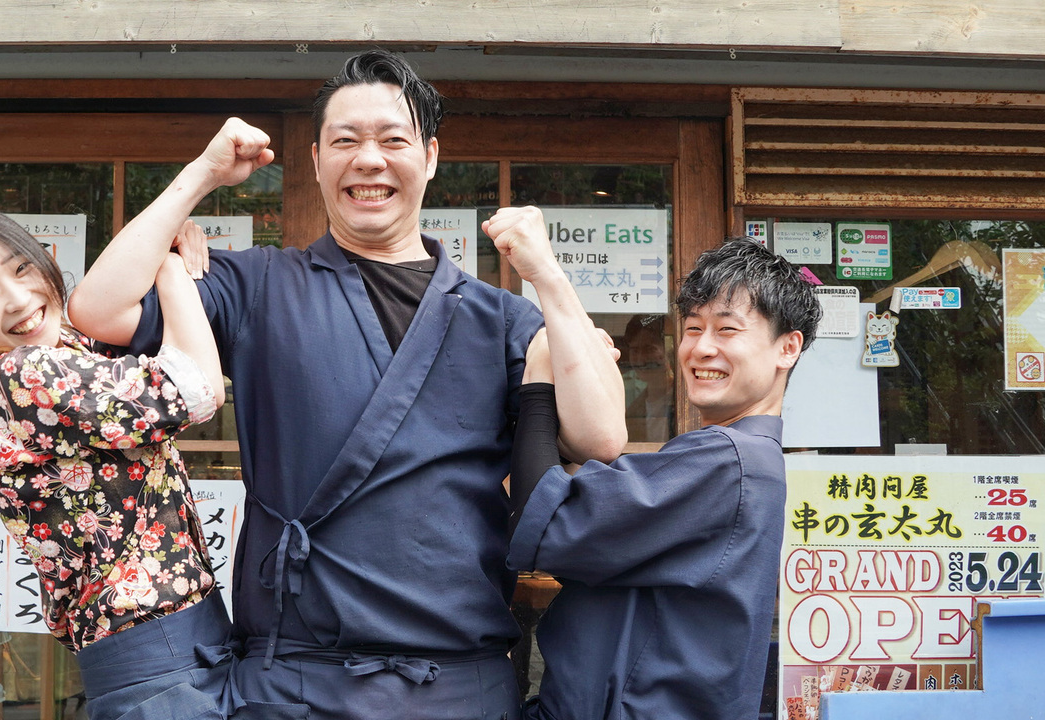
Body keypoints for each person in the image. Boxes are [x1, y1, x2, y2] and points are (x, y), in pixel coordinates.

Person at [68, 51, 625, 719]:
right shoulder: (259, 285)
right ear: (314, 160)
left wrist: (550, 278)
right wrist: (202, 174)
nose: (369, 160)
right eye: (346, 141)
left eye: (393, 140)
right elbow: (97, 309)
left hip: (458, 682)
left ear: (431, 157)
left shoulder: (502, 317)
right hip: (295, 680)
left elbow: (601, 437)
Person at [0, 207, 241, 720]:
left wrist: (167, 237)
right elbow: (197, 388)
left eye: (21, 268)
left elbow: (106, 304)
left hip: (159, 649)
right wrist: (172, 268)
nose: (19, 298)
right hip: (157, 656)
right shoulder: (23, 373)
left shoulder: (61, 358)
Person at [506, 237, 820, 720]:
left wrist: (541, 380)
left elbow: (549, 524)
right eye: (692, 329)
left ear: (788, 347)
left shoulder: (729, 461)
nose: (702, 348)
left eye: (727, 330)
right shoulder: (741, 460)